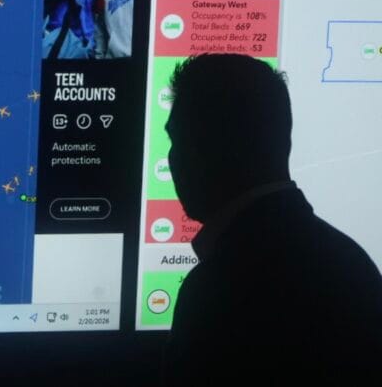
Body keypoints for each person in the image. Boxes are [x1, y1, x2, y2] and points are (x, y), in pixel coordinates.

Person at [162, 54, 382, 386]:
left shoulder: (217, 293)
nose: (172, 160)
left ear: (207, 150)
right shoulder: (352, 262)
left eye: (178, 141)